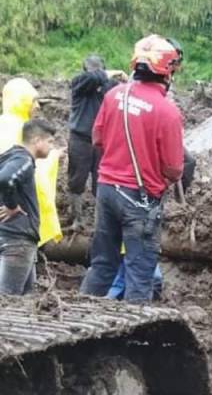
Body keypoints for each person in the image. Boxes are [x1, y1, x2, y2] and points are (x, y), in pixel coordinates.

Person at [79, 34, 184, 304]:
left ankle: (77, 318)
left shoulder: (114, 95)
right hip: (139, 199)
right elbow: (174, 169)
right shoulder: (167, 111)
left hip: (106, 190)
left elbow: (98, 139)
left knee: (102, 264)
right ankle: (134, 339)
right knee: (140, 272)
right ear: (167, 71)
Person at [0, 78, 62, 248]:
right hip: (17, 217)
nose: (37, 106)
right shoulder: (23, 130)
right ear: (22, 101)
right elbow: (35, 172)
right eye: (33, 101)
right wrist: (53, 157)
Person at [67, 55, 127, 230]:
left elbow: (128, 91)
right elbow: (93, 78)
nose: (95, 73)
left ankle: (99, 221)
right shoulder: (79, 82)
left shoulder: (110, 86)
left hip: (102, 142)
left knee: (101, 182)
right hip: (80, 139)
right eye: (92, 70)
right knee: (76, 181)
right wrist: (111, 73)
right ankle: (77, 219)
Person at [0, 120, 56, 295]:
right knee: (8, 299)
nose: (51, 147)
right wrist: (12, 206)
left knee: (28, 297)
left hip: (14, 237)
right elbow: (5, 179)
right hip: (17, 240)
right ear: (37, 140)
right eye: (50, 142)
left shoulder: (9, 156)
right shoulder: (24, 159)